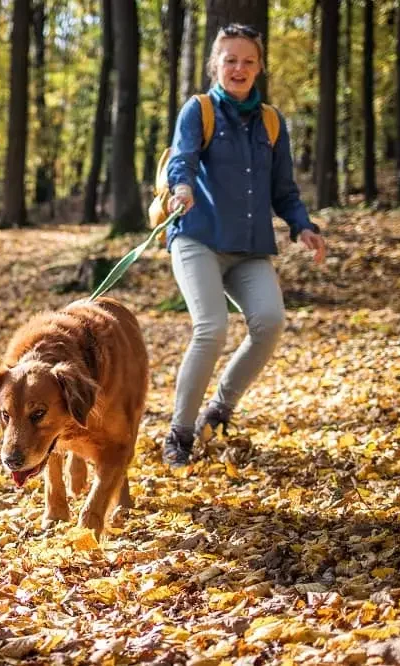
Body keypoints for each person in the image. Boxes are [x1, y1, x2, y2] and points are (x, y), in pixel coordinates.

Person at [161, 23, 326, 467]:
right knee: (211, 327)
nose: (238, 68)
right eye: (230, 60)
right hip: (198, 238)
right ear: (216, 64)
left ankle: (218, 411)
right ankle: (179, 433)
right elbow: (183, 159)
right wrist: (182, 188)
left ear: (259, 67)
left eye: (247, 61)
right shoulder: (198, 111)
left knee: (270, 322)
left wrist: (302, 226)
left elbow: (284, 189)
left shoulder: (271, 122)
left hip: (250, 248)